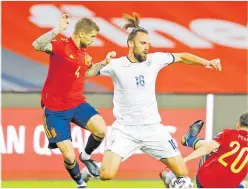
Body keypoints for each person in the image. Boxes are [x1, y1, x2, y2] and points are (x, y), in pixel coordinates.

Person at [81, 12, 222, 185]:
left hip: (153, 129)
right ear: (131, 44)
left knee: (182, 172)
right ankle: (89, 170)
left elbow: (182, 56)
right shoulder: (116, 64)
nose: (147, 47)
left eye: (148, 43)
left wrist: (205, 62)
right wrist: (103, 62)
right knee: (106, 174)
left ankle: (168, 177)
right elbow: (86, 73)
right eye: (143, 43)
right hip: (125, 130)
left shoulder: (155, 60)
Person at [32, 14, 116, 188]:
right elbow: (37, 45)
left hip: (77, 103)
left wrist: (104, 63)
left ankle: (86, 156)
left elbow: (86, 73)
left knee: (101, 129)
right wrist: (58, 29)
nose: (93, 40)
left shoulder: (84, 55)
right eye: (92, 36)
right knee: (69, 157)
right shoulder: (61, 46)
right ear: (81, 34)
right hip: (55, 110)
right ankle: (80, 183)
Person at [161, 112, 248, 188]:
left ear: (238, 125)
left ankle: (189, 140)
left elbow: (207, 148)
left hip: (205, 183)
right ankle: (189, 140)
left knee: (213, 149)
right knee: (245, 184)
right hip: (228, 186)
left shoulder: (229, 133)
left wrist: (185, 159)